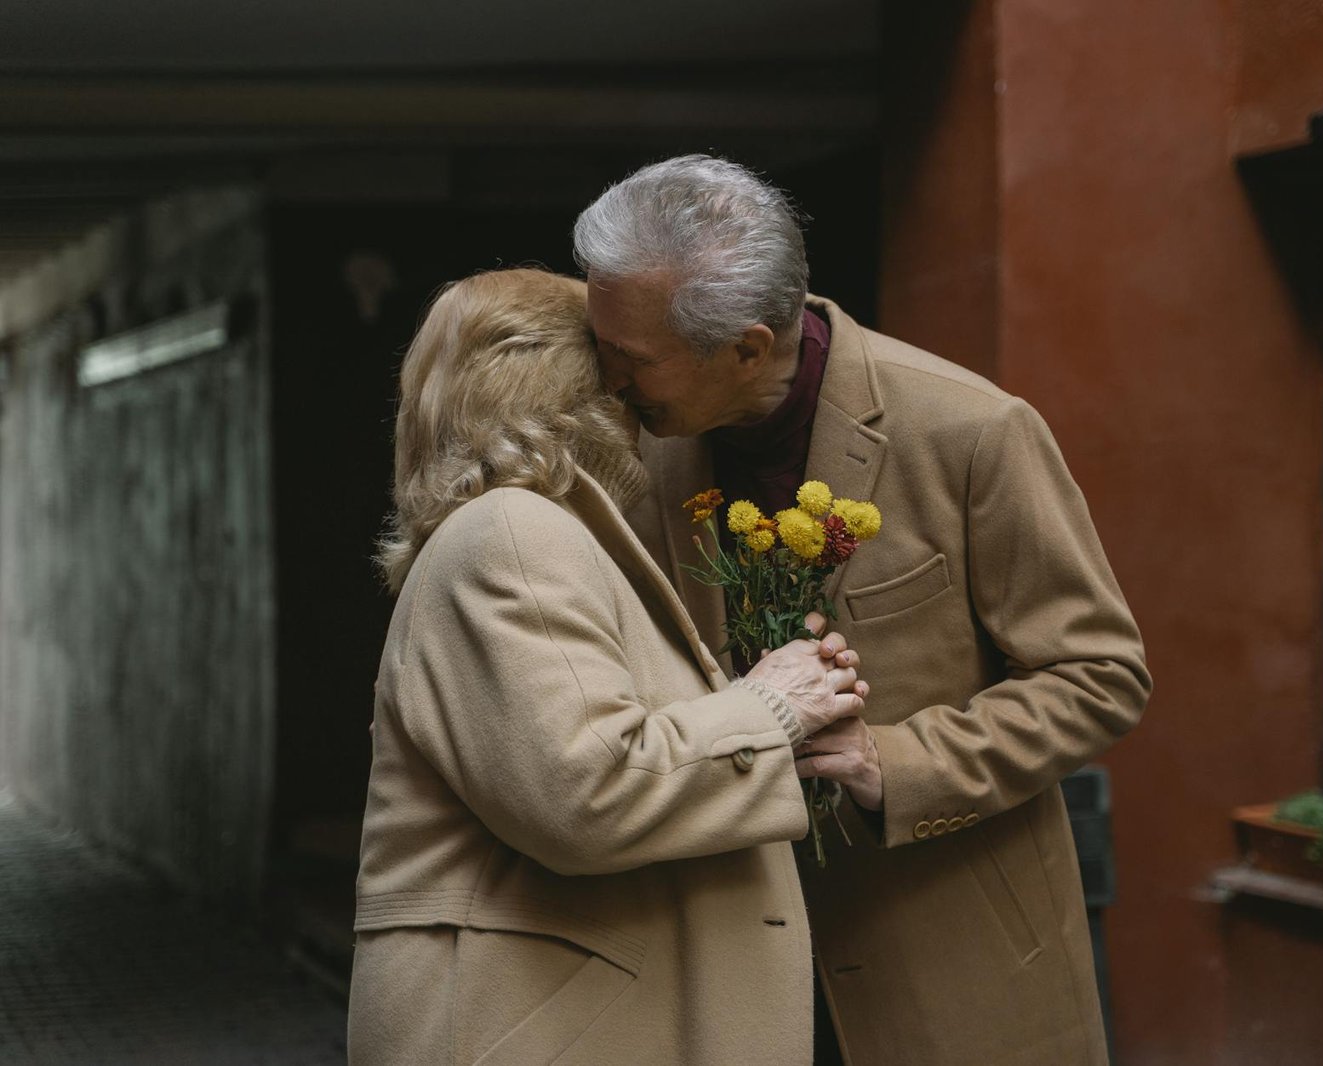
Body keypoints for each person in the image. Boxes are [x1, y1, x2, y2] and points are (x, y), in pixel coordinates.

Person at [575, 156, 1153, 1065]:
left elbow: (1101, 677)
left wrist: (904, 762)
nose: (608, 382)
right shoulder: (644, 445)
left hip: (955, 966)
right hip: (726, 964)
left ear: (747, 349)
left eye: (631, 360)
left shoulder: (974, 430)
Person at [347, 268, 869, 1066]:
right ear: (574, 385)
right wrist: (770, 710)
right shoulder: (513, 535)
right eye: (618, 372)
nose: (644, 406)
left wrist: (773, 724)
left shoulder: (524, 530)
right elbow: (585, 791)